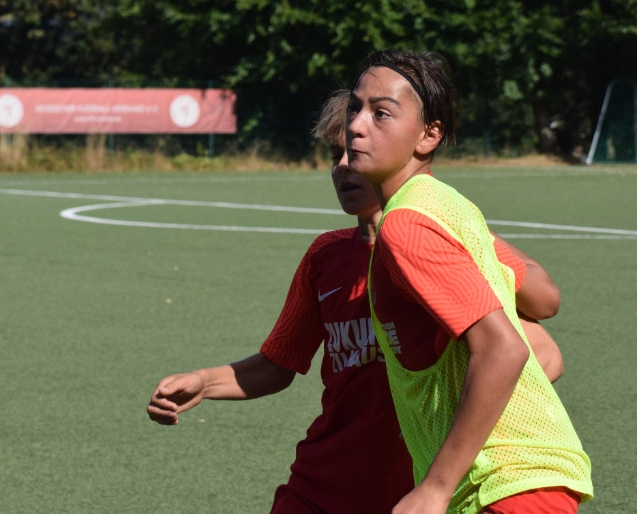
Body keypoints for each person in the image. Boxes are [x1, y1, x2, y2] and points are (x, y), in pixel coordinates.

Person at [147, 89, 568, 514]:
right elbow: (278, 364)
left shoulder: (439, 245)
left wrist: (469, 233)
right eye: (335, 155)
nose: (344, 166)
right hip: (326, 480)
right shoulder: (324, 257)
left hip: (416, 484)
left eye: (354, 152)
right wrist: (204, 382)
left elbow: (542, 343)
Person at [345, 49, 593, 514]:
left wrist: (435, 488)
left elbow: (504, 347)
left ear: (429, 134)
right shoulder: (446, 205)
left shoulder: (408, 224)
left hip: (503, 485)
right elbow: (538, 322)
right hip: (514, 481)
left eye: (381, 113)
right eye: (354, 109)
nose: (356, 125)